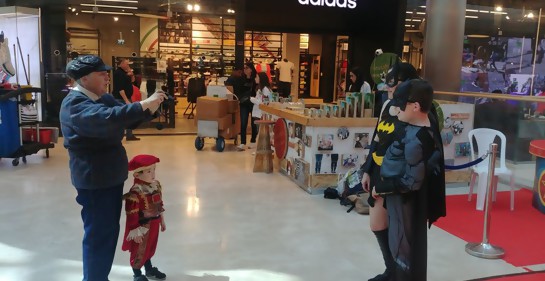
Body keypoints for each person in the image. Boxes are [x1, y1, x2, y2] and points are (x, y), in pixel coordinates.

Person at [59, 55, 167, 281]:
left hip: (109, 178)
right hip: (95, 180)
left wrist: (150, 107)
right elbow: (107, 119)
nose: (107, 77)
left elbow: (124, 117)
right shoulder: (75, 104)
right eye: (101, 73)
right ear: (85, 78)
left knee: (107, 232)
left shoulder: (101, 98)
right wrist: (142, 105)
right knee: (100, 235)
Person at [374, 79, 446, 281]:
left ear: (415, 106)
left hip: (406, 200)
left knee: (404, 249)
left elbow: (411, 181)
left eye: (400, 105)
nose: (396, 110)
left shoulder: (418, 136)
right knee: (401, 246)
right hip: (400, 199)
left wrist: (382, 187)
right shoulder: (415, 129)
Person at [359, 61, 420, 281]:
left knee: (400, 229)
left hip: (400, 177)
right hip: (379, 173)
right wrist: (367, 170)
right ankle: (392, 270)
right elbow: (377, 138)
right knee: (377, 223)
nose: (390, 89)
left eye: (394, 85)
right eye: (389, 85)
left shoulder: (417, 108)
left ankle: (401, 272)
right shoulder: (387, 106)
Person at [122, 154, 167, 281]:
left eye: (154, 170)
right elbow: (131, 214)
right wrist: (135, 230)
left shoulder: (156, 185)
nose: (152, 174)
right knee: (139, 250)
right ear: (137, 175)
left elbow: (159, 204)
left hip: (154, 223)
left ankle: (149, 269)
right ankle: (137, 274)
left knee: (150, 248)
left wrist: (162, 220)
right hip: (142, 226)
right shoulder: (136, 192)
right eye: (148, 171)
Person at [225, 62, 257, 151]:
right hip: (244, 103)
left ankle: (253, 141)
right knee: (243, 123)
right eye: (244, 68)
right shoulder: (240, 79)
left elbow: (258, 91)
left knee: (254, 123)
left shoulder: (255, 79)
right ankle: (243, 142)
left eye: (247, 68)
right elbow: (237, 90)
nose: (245, 69)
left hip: (254, 103)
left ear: (251, 69)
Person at [113, 58, 139, 141]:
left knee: (129, 116)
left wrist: (131, 74)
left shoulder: (125, 73)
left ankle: (129, 134)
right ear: (121, 64)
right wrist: (126, 100)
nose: (128, 65)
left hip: (127, 97)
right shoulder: (118, 73)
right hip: (121, 98)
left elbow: (132, 81)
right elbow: (120, 88)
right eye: (126, 64)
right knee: (122, 117)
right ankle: (119, 135)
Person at [250, 72, 272, 152]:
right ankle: (258, 150)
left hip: (260, 114)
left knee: (261, 133)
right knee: (258, 132)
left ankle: (260, 150)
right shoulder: (260, 89)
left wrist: (252, 99)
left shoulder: (265, 89)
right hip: (257, 113)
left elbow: (264, 102)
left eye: (256, 77)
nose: (255, 78)